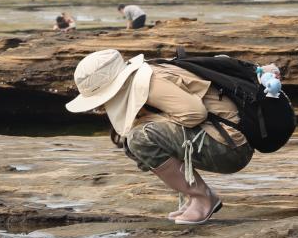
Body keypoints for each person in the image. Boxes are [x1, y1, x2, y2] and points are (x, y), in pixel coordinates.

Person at [66, 49, 253, 225]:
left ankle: (202, 198)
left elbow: (195, 114)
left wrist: (146, 123)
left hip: (231, 147)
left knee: (140, 138)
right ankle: (195, 196)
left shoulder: (149, 81)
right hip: (225, 140)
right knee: (134, 140)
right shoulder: (142, 75)